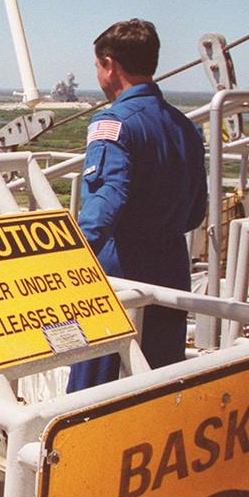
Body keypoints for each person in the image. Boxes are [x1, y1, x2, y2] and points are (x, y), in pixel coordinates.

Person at [67, 19, 207, 391]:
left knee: (94, 378)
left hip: (121, 266)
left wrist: (70, 257)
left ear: (110, 64)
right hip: (172, 265)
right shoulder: (186, 128)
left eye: (97, 66)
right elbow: (196, 212)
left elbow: (105, 201)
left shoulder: (113, 123)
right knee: (161, 379)